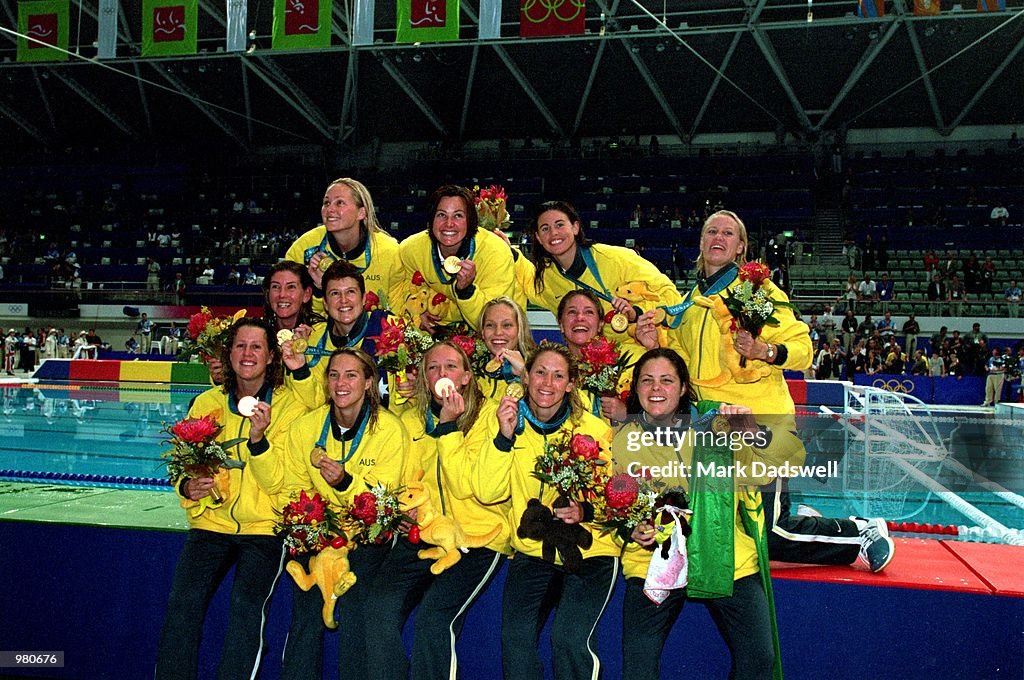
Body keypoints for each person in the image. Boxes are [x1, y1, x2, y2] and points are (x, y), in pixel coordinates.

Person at [635, 210, 893, 572]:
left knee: (769, 535)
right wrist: (653, 343)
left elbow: (802, 348)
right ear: (701, 242)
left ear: (741, 247)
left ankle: (858, 533)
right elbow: (681, 364)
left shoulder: (754, 292)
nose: (718, 237)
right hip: (712, 431)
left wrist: (764, 351)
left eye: (728, 233)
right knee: (728, 532)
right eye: (712, 231)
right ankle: (803, 514)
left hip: (756, 428)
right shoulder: (691, 301)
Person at [616, 348, 786, 679]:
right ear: (635, 388)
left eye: (667, 381)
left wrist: (750, 434)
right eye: (647, 380)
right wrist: (631, 529)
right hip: (652, 561)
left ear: (682, 388)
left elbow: (762, 475)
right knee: (638, 665)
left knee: (759, 659)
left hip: (725, 555)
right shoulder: (622, 440)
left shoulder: (717, 426)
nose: (656, 389)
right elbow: (615, 503)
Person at [154, 318, 307, 680]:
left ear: (272, 356)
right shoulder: (207, 402)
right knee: (182, 605)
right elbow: (184, 465)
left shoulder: (289, 408)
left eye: (256, 347)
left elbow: (282, 484)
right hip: (211, 524)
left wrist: (259, 441)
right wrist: (186, 488)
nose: (247, 354)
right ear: (229, 353)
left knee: (246, 609)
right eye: (240, 346)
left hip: (265, 528)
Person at [249, 347, 407, 680]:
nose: (341, 383)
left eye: (351, 375)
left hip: (368, 539)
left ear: (368, 383)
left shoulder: (390, 430)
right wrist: (310, 525)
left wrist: (344, 483)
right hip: (320, 535)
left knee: (354, 608)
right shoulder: (306, 427)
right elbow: (288, 487)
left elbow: (382, 501)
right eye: (334, 375)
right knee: (306, 612)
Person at [473, 343, 618, 680]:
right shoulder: (508, 422)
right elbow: (487, 491)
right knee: (516, 640)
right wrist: (503, 439)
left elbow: (619, 493)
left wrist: (586, 509)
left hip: (590, 549)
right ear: (527, 377)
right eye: (539, 372)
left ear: (570, 384)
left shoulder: (594, 430)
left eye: (558, 376)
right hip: (534, 551)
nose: (547, 383)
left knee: (568, 640)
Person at [366, 341, 509, 680]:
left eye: (450, 367)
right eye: (432, 368)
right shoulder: (409, 419)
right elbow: (400, 479)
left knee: (434, 617)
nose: (441, 374)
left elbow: (467, 486)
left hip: (476, 538)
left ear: (467, 377)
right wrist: (400, 513)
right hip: (423, 535)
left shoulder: (490, 416)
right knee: (378, 608)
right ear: (423, 378)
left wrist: (448, 427)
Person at [522, 200, 682, 340]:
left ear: (575, 227)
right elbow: (521, 272)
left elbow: (670, 295)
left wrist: (637, 313)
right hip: (590, 362)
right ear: (538, 238)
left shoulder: (616, 258)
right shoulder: (546, 279)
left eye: (560, 224)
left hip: (637, 350)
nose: (553, 233)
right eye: (545, 229)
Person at [398, 184, 515, 332]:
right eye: (441, 215)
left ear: (471, 221)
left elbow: (493, 324)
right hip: (436, 329)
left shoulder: (496, 253)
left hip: (493, 334)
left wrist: (467, 291)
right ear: (431, 220)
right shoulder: (410, 249)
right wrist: (416, 313)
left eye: (458, 215)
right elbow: (401, 288)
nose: (449, 224)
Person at [285, 177, 404, 319]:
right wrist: (319, 290)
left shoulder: (390, 251)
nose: (330, 209)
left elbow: (400, 311)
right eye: (326, 203)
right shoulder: (303, 248)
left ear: (361, 213)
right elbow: (293, 310)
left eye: (339, 203)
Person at [557, 288, 644, 424]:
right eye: (572, 312)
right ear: (561, 325)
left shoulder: (632, 358)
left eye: (589, 312)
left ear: (600, 324)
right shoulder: (552, 370)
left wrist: (629, 415)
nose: (580, 318)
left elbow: (667, 412)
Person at [475, 297, 535, 403]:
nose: (498, 332)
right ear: (483, 332)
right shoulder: (470, 372)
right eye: (490, 325)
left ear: (520, 330)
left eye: (507, 325)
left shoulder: (538, 368)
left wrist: (524, 374)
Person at [262, 260, 324, 333]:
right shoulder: (259, 333)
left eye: (291, 287)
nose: (282, 295)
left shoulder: (322, 334)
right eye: (275, 286)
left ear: (306, 294)